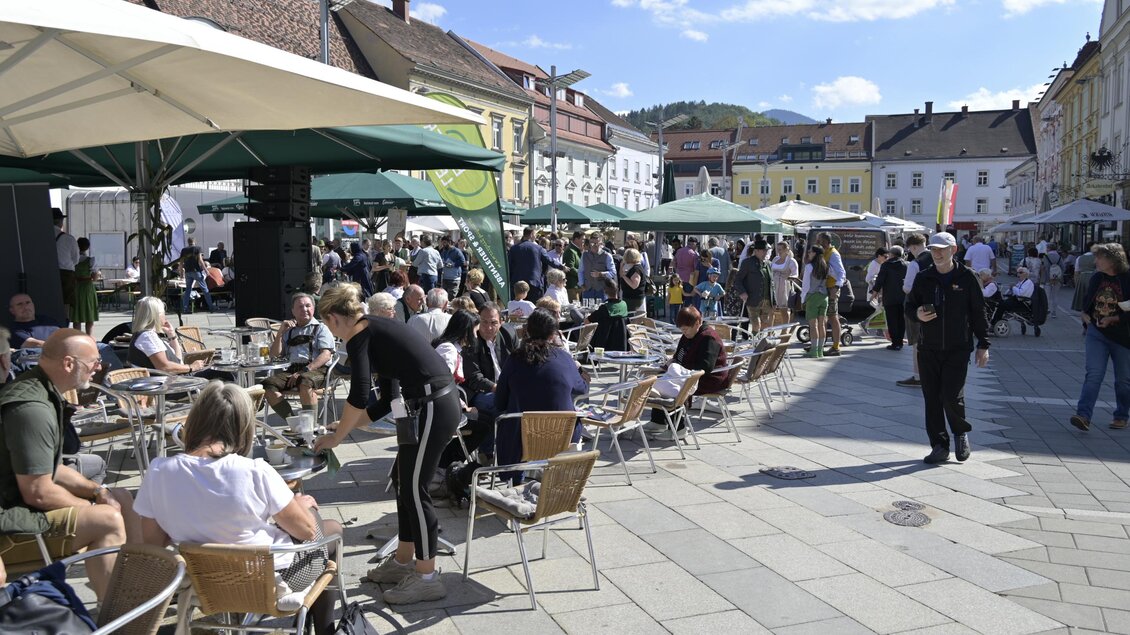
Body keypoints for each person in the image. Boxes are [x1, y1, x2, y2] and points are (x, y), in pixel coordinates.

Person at [136, 381, 343, 634]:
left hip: (205, 583)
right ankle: (325, 629)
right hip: (265, 581)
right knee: (328, 528)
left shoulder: (158, 471)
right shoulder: (254, 471)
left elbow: (154, 542)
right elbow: (306, 533)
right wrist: (300, 505)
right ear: (243, 425)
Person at [313, 284, 459, 605]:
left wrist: (337, 438)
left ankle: (427, 577)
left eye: (327, 324)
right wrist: (346, 424)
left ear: (335, 318)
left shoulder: (360, 334)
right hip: (422, 406)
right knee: (403, 484)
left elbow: (359, 393)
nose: (331, 332)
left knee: (416, 492)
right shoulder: (375, 329)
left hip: (434, 404)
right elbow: (382, 401)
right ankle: (404, 560)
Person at [0, 329, 141, 602]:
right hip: (10, 521)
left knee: (122, 497)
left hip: (18, 502)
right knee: (107, 519)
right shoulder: (33, 408)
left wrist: (98, 491)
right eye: (94, 363)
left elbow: (50, 468)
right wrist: (91, 508)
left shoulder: (42, 391)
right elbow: (38, 492)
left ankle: (134, 591)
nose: (99, 368)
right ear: (68, 364)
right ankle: (118, 614)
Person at [905, 232, 990, 464]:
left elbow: (979, 312)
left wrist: (983, 343)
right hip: (928, 348)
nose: (937, 253)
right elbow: (909, 306)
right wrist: (917, 314)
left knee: (951, 396)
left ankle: (960, 433)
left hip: (958, 347)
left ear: (953, 250)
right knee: (931, 398)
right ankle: (939, 446)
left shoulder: (967, 277)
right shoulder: (924, 277)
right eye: (933, 249)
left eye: (942, 249)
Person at [494, 309, 588, 475]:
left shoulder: (514, 359)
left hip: (521, 441)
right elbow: (582, 388)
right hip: (562, 439)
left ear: (527, 331)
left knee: (503, 418)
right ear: (552, 335)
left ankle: (514, 477)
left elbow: (499, 402)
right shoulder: (564, 358)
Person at [642, 306, 727, 441]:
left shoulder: (708, 338)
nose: (684, 332)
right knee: (663, 380)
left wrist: (677, 369)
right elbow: (678, 356)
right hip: (689, 375)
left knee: (672, 387)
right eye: (682, 330)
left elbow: (706, 367)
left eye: (686, 329)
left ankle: (679, 428)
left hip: (709, 379)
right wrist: (671, 364)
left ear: (697, 323)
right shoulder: (689, 335)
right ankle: (658, 421)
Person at [1072, 243, 1130, 431]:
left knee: (1123, 380)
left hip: (1123, 336)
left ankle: (1121, 415)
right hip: (1096, 333)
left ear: (1113, 260)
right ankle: (1083, 415)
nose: (1095, 260)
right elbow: (1088, 303)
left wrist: (1114, 318)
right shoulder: (1097, 278)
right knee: (1094, 374)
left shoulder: (1127, 279)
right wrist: (1085, 316)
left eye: (1099, 257)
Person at [261, 293, 336, 422]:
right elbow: (274, 355)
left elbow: (326, 355)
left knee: (304, 381)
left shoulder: (321, 328)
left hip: (318, 370)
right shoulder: (290, 331)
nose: (305, 309)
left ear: (313, 308)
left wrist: (305, 370)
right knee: (267, 385)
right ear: (293, 311)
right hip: (293, 370)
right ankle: (294, 422)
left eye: (308, 306)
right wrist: (280, 332)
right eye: (300, 307)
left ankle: (309, 426)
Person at [7, 293, 120, 373]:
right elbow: (33, 344)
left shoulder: (46, 320)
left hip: (70, 348)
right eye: (20, 304)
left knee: (103, 347)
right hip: (49, 355)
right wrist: (69, 346)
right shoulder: (14, 329)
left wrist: (85, 339)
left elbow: (68, 333)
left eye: (28, 302)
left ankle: (117, 387)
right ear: (12, 310)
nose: (25, 306)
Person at [127, 296, 206, 374]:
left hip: (177, 379)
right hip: (168, 383)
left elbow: (178, 361)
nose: (165, 316)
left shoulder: (148, 335)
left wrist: (172, 335)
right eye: (163, 313)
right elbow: (164, 367)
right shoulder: (148, 337)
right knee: (215, 374)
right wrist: (191, 367)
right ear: (157, 315)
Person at [897, 233, 933, 388]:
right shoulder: (938, 257)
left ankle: (919, 376)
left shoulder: (915, 263)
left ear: (913, 247)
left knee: (918, 343)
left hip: (919, 307)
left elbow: (908, 288)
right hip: (936, 305)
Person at [815, 232, 847, 357]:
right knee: (823, 316)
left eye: (819, 240)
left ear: (826, 242)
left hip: (832, 288)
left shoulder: (833, 254)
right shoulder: (824, 252)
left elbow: (841, 272)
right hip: (824, 288)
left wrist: (836, 287)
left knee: (833, 317)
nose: (817, 242)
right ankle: (820, 344)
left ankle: (836, 346)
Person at [871, 245, 908, 351]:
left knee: (892, 321)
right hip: (903, 298)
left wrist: (874, 294)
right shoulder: (907, 264)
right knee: (901, 320)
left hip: (890, 298)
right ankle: (900, 342)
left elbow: (879, 281)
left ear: (891, 254)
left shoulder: (886, 265)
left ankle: (895, 343)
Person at [431, 310, 479, 389]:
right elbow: (442, 382)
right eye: (475, 331)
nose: (476, 336)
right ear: (466, 331)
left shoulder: (453, 349)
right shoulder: (449, 349)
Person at [734, 240, 774, 331]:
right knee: (756, 323)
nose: (765, 253)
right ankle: (755, 342)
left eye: (766, 251)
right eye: (763, 250)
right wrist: (742, 292)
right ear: (756, 251)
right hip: (753, 298)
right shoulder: (747, 263)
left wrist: (773, 300)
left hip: (766, 300)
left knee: (765, 322)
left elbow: (771, 283)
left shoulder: (768, 264)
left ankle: (760, 341)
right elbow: (738, 279)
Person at [801, 245, 830, 358]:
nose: (808, 253)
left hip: (813, 296)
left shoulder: (809, 267)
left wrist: (803, 298)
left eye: (810, 252)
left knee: (813, 325)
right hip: (824, 296)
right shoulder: (825, 265)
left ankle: (813, 350)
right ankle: (820, 351)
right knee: (822, 324)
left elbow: (806, 285)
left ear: (815, 254)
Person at [586, 279, 630, 352]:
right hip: (622, 344)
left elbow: (587, 321)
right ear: (617, 290)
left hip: (604, 345)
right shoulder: (624, 304)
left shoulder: (604, 308)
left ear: (605, 292)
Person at [53, 208, 80, 319]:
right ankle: (64, 325)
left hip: (46, 272)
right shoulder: (68, 238)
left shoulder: (40, 237)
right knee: (66, 302)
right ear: (60, 221)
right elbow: (75, 259)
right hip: (66, 273)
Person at [71, 237, 100, 336]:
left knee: (77, 315)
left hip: (75, 287)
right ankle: (89, 337)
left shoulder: (73, 260)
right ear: (87, 247)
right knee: (89, 314)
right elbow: (95, 277)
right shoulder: (91, 260)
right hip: (87, 288)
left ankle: (77, 337)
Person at [179, 237, 215, 314]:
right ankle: (211, 307)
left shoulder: (183, 250)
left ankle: (185, 309)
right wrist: (206, 270)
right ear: (194, 241)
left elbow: (181, 262)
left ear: (188, 242)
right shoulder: (197, 248)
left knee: (188, 290)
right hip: (196, 271)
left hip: (188, 272)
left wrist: (181, 273)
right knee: (205, 289)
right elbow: (201, 261)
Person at [770, 241, 799, 322]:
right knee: (771, 309)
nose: (779, 251)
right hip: (773, 285)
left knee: (784, 310)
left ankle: (784, 329)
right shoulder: (775, 259)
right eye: (778, 249)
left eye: (780, 249)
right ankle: (770, 331)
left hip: (784, 286)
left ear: (786, 249)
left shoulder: (791, 261)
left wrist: (789, 277)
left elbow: (795, 275)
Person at [579, 236, 615, 301]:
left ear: (601, 244)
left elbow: (613, 272)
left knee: (601, 310)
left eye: (596, 243)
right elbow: (581, 271)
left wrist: (601, 274)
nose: (594, 245)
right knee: (586, 310)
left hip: (602, 290)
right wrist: (581, 284)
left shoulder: (607, 256)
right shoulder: (584, 255)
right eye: (592, 243)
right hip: (587, 289)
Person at [619, 248, 647, 314]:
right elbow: (621, 274)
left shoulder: (636, 269)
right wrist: (621, 265)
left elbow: (634, 285)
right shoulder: (632, 267)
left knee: (631, 317)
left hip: (633, 299)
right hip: (629, 298)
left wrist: (624, 276)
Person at [1073, 242, 1098, 312]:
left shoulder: (1079, 258)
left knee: (1082, 296)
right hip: (1093, 277)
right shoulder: (1096, 258)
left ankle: (1083, 310)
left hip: (1082, 277)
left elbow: (1076, 272)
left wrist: (1076, 284)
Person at [1044, 243, 1065, 317]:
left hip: (1048, 279)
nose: (1046, 249)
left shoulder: (1046, 256)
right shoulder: (1059, 257)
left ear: (1049, 248)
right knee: (1055, 296)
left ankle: (1046, 310)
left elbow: (1045, 268)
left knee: (1047, 295)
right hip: (1057, 279)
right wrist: (1059, 276)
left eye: (1047, 248)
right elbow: (1063, 267)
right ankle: (1054, 312)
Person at [564, 231, 585, 302]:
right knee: (575, 309)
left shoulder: (576, 250)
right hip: (572, 286)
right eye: (582, 239)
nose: (583, 241)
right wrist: (582, 274)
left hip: (578, 285)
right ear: (576, 239)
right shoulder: (570, 250)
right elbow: (570, 268)